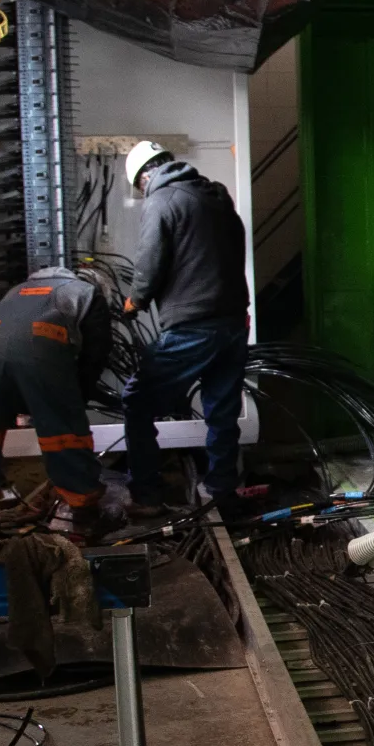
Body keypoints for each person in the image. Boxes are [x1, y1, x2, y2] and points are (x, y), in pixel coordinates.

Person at [120, 140, 250, 518]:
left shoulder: (163, 199)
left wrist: (135, 301)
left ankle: (146, 494)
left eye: (140, 186)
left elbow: (149, 261)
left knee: (138, 402)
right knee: (222, 412)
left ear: (146, 175)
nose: (143, 192)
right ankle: (222, 491)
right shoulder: (216, 197)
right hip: (232, 323)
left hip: (193, 327)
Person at [0, 264, 115, 543]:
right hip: (39, 347)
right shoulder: (88, 293)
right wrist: (74, 399)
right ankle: (85, 517)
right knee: (65, 436)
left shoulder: (17, 291)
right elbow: (95, 355)